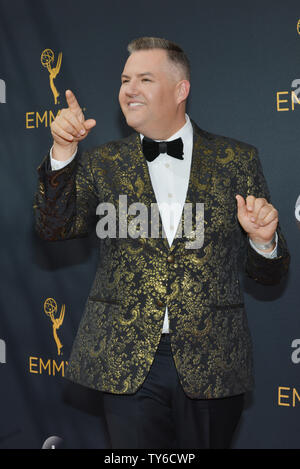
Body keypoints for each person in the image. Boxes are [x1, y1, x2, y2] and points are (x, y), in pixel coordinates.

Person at [33, 37, 290, 449]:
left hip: (212, 361)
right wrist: (63, 152)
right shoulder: (103, 164)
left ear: (180, 89)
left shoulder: (236, 160)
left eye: (144, 79)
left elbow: (269, 273)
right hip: (127, 360)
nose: (128, 89)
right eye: (124, 79)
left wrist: (264, 241)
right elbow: (53, 227)